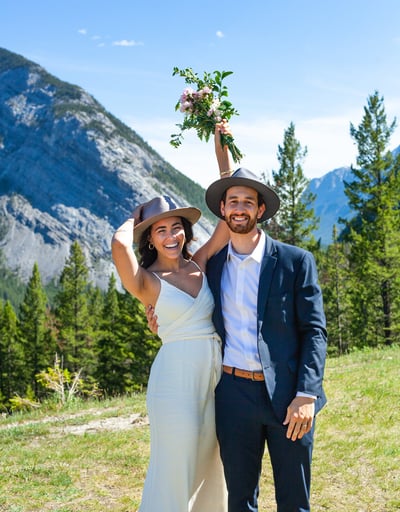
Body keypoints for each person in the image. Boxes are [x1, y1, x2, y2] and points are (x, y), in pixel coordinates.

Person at [111, 123, 233, 512]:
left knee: (212, 463)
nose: (170, 235)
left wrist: (221, 152)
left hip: (213, 375)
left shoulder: (198, 264)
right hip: (174, 380)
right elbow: (117, 245)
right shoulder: (147, 282)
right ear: (150, 239)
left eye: (176, 227)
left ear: (185, 231)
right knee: (174, 464)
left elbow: (229, 220)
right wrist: (136, 217)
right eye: (160, 230)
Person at [203, 161, 328, 511]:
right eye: (233, 201)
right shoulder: (212, 268)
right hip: (232, 396)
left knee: (294, 500)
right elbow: (180, 292)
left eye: (247, 201)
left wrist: (307, 394)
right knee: (240, 499)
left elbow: (314, 332)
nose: (239, 208)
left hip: (289, 397)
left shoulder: (295, 261)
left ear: (260, 210)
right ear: (223, 209)